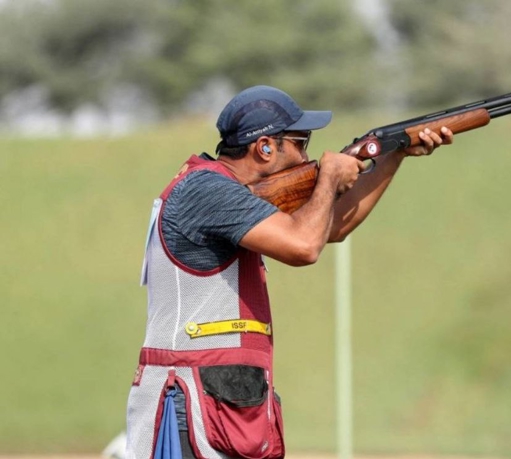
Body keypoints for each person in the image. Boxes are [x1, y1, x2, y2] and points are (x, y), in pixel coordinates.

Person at [125, 85, 453, 459]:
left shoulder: (223, 190)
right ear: (265, 147)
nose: (308, 155)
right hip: (190, 406)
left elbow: (331, 227)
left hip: (220, 403)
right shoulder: (207, 190)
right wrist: (328, 180)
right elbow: (303, 246)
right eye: (301, 142)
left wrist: (393, 156)